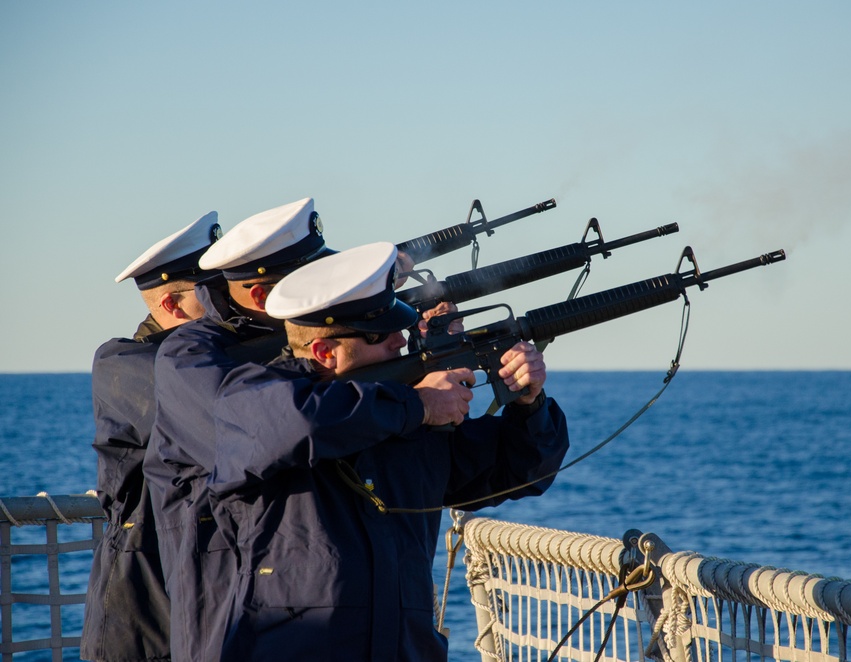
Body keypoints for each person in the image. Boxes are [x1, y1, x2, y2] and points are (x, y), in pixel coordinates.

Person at [206, 242, 571, 661]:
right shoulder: (249, 401)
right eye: (380, 335)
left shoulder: (403, 413)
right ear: (326, 352)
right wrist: (418, 405)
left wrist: (529, 403)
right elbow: (301, 424)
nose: (401, 340)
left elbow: (523, 472)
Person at [143, 197, 335, 662]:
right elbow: (256, 435)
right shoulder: (190, 356)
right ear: (263, 297)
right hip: (226, 599)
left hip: (312, 598)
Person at [81, 211, 223, 662]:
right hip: (141, 612)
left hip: (198, 595)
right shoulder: (124, 362)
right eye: (216, 290)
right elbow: (219, 408)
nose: (229, 301)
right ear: (173, 306)